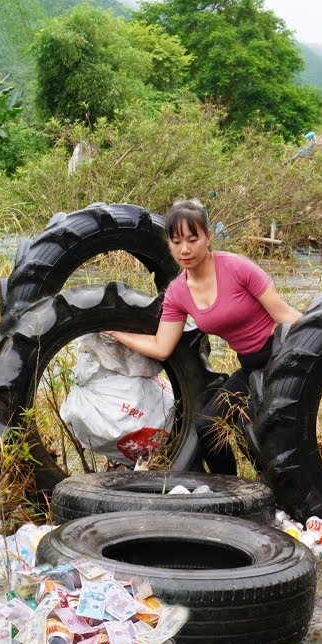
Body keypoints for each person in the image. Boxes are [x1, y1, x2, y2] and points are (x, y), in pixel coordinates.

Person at [106, 199, 302, 475]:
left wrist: (317, 349)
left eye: (192, 239)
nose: (184, 249)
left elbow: (286, 315)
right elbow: (162, 347)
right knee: (208, 426)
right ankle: (230, 492)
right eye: (176, 241)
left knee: (271, 435)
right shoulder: (177, 293)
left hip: (279, 357)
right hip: (250, 367)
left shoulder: (238, 268)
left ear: (208, 237)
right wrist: (116, 333)